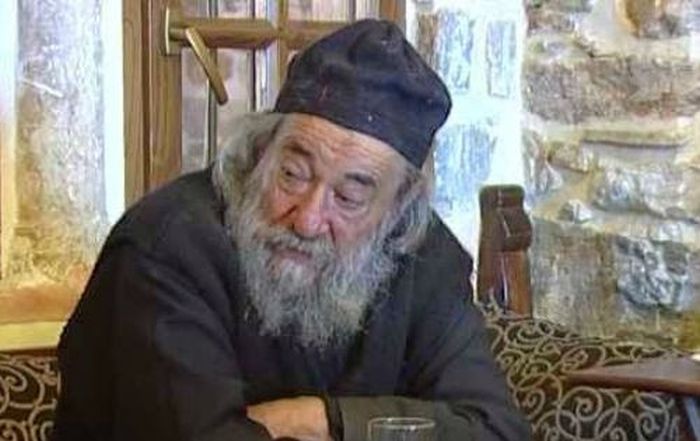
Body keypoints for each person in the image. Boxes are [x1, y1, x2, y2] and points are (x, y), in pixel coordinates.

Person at [52, 19, 530, 441]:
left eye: (349, 197)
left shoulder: (423, 254)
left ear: (398, 208)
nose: (307, 219)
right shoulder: (165, 249)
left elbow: (498, 430)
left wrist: (322, 420)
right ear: (259, 152)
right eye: (293, 174)